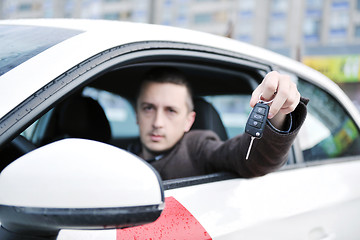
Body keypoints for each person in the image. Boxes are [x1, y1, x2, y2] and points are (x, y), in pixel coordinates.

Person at [129, 67, 308, 180]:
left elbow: (252, 160)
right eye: (148, 108)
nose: (157, 123)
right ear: (137, 114)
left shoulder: (198, 149)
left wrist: (276, 112)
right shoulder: (121, 155)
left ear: (189, 121)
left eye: (171, 111)